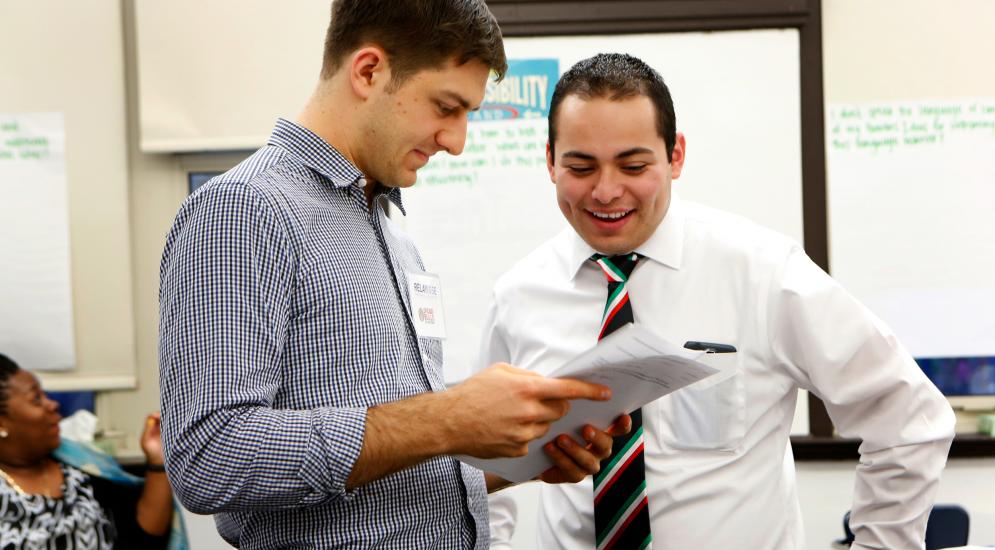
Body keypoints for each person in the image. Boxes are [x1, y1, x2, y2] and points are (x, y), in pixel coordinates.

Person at [157, 1, 627, 548]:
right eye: (446, 107)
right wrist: (446, 418)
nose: (457, 140)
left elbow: (394, 479)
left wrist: (530, 455)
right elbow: (207, 455)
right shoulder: (243, 211)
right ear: (368, 71)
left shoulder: (389, 228)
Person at [480, 53, 956, 549]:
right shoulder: (519, 296)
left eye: (633, 165)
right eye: (580, 166)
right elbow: (479, 467)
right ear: (550, 161)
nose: (606, 191)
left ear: (676, 156)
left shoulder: (762, 270)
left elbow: (909, 419)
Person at [0, 353, 178, 549]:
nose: (52, 404)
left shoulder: (81, 468)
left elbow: (141, 541)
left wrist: (158, 458)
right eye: (36, 399)